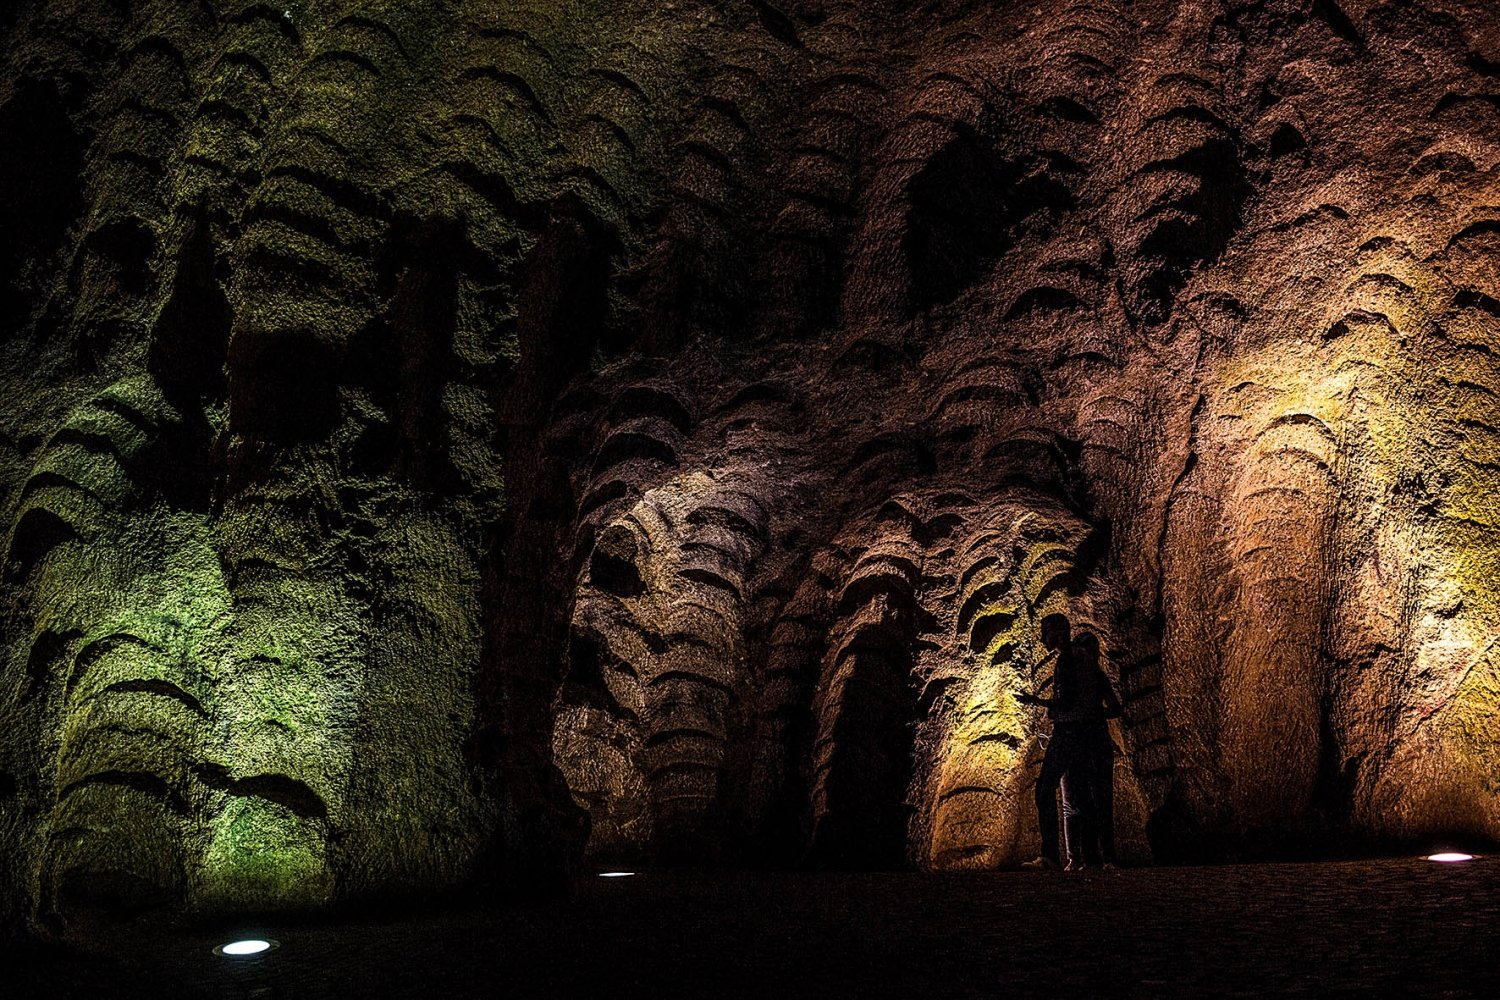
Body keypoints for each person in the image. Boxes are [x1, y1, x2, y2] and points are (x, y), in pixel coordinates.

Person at [1018, 614, 1122, 870]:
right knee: (1084, 796)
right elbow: (1111, 705)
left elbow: (1067, 700)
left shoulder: (1067, 659)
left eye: (1046, 631)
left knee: (1046, 790)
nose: (1044, 637)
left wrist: (1039, 703)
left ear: (1057, 633)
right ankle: (1091, 857)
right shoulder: (1088, 664)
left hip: (1068, 731)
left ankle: (1052, 855)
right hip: (1087, 732)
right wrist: (1094, 715)